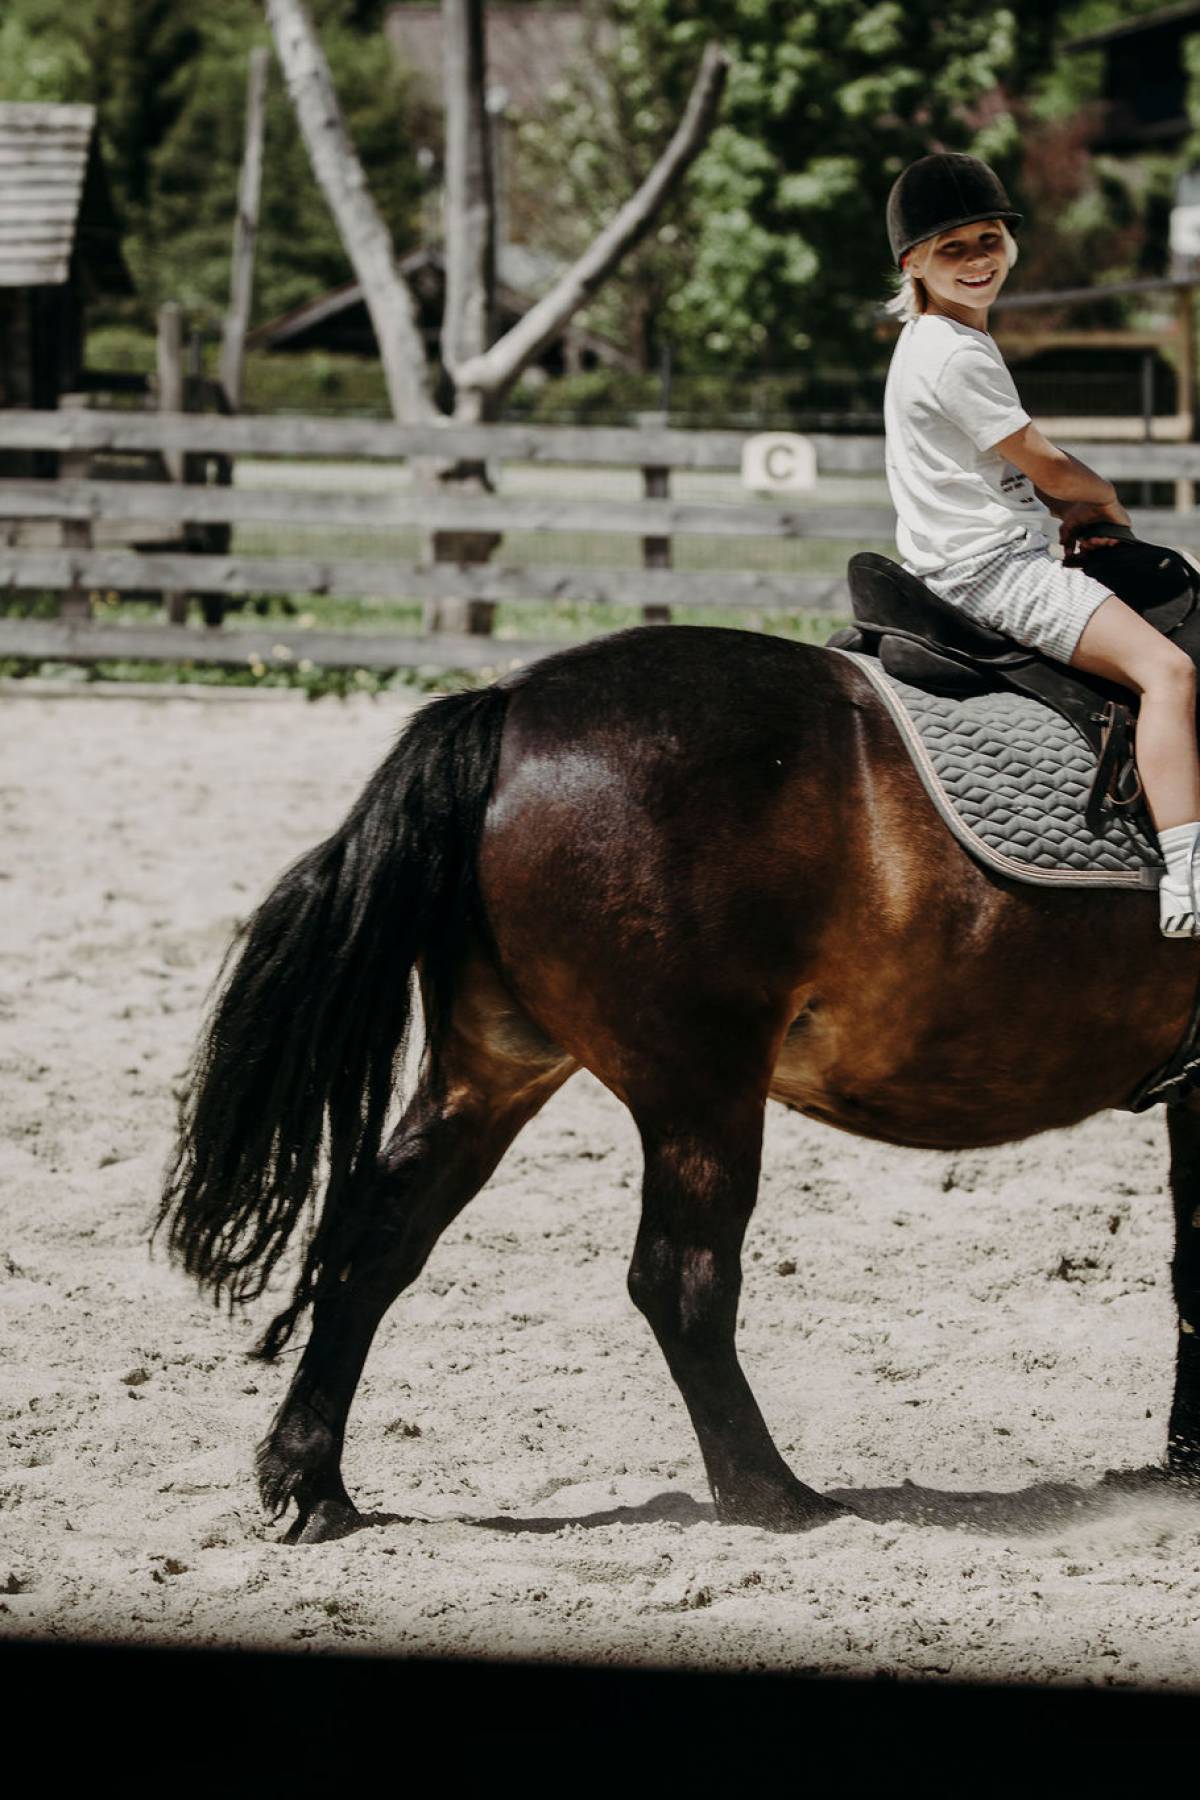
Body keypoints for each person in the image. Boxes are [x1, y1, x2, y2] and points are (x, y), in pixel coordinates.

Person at [883, 151, 1200, 937]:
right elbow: (1044, 460)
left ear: (1011, 245)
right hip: (994, 572)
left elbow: (1004, 476)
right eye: (952, 248)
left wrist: (1060, 516)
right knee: (1168, 672)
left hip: (980, 552)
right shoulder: (952, 352)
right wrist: (1102, 500)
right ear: (912, 261)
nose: (977, 260)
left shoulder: (939, 338)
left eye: (988, 240)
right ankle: (1189, 878)